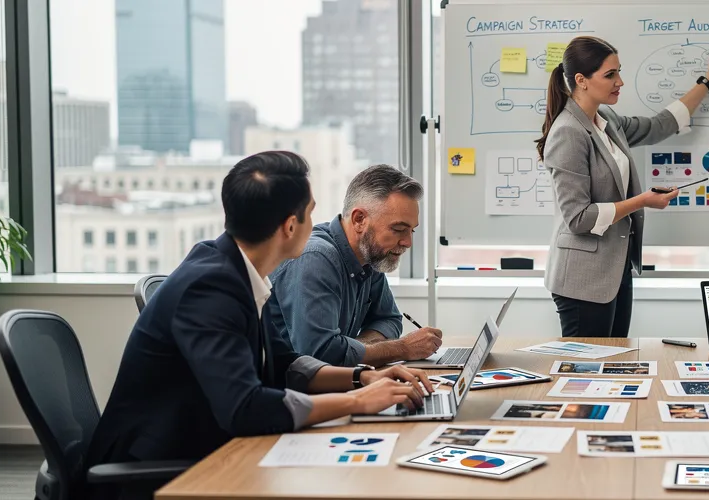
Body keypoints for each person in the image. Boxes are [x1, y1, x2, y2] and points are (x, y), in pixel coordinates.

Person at [83, 152, 436, 500]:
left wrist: (363, 377)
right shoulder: (209, 288)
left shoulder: (241, 274)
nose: (319, 225)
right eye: (311, 213)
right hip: (160, 469)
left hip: (210, 445)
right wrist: (356, 401)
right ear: (289, 226)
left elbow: (288, 364)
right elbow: (245, 408)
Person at [537, 35, 709, 338]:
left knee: (614, 365)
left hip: (614, 270)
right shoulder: (568, 132)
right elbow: (578, 219)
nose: (620, 81)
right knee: (588, 372)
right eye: (610, 75)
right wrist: (642, 201)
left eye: (619, 71)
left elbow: (659, 125)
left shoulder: (604, 118)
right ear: (581, 80)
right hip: (583, 279)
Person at [265, 165, 442, 367]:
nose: (407, 242)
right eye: (399, 229)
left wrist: (350, 348)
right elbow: (318, 355)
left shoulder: (371, 255)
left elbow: (389, 319)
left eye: (412, 231)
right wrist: (403, 348)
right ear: (359, 220)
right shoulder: (315, 258)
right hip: (293, 392)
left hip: (337, 384)